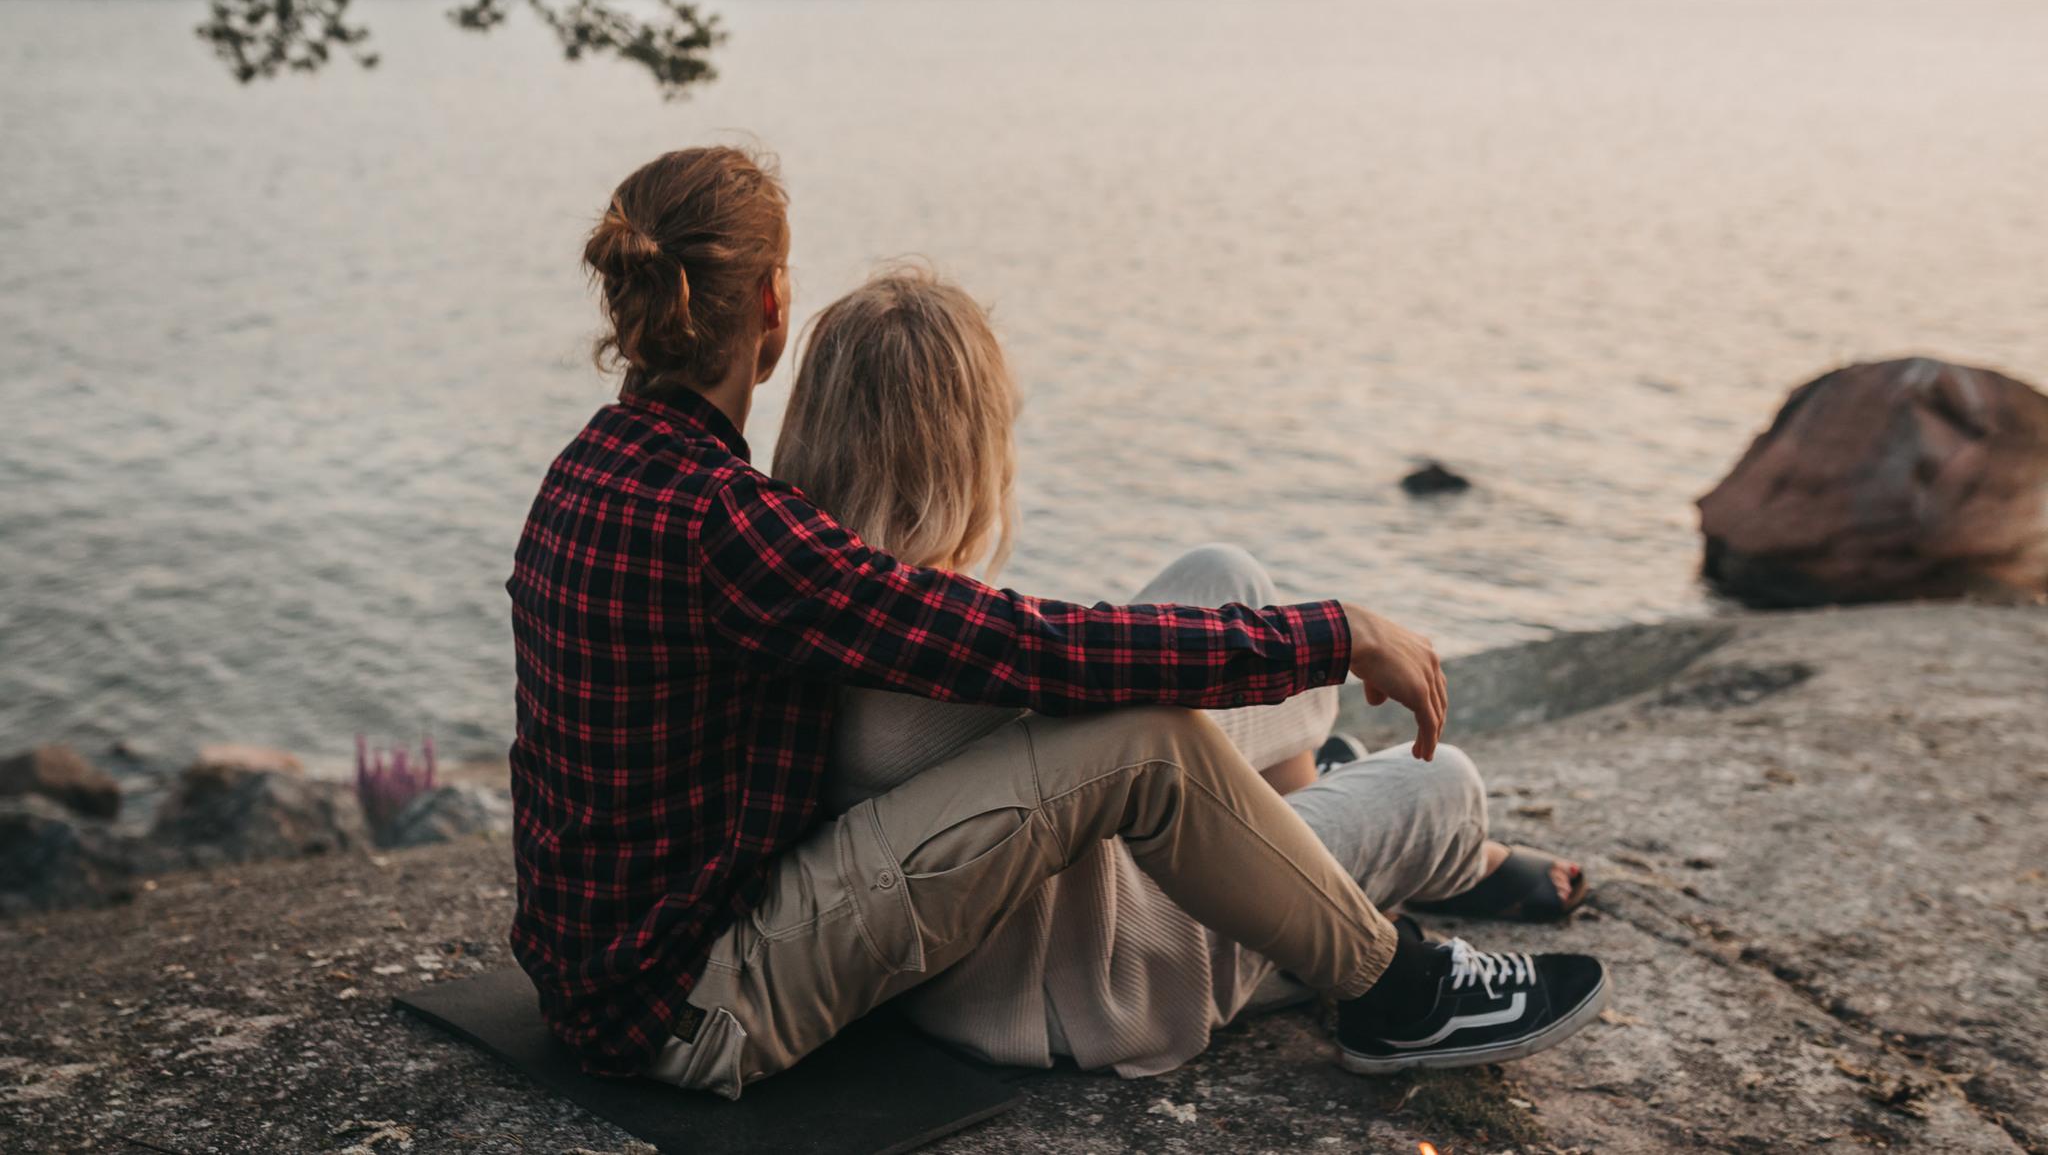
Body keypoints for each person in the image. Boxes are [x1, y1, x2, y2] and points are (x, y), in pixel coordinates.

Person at [506, 146, 1610, 1100]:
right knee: (1150, 738)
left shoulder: (587, 475)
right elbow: (1026, 649)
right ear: (772, 307)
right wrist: (1329, 633)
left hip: (610, 979)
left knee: (1205, 609)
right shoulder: (727, 525)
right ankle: (1393, 986)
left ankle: (1308, 820)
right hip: (698, 1007)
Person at [779, 264, 1591, 1077]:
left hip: (1048, 922)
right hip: (1099, 976)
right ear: (969, 448)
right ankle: (1413, 876)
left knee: (1222, 575)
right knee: (1442, 787)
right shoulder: (963, 644)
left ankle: (1312, 833)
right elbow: (1101, 668)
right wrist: (1341, 635)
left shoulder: (825, 605)